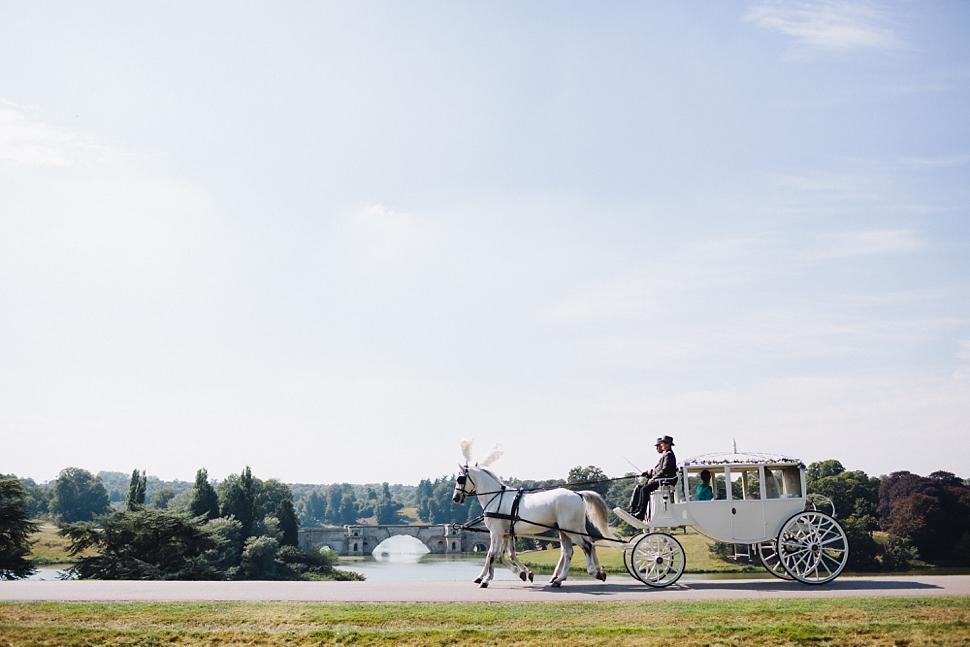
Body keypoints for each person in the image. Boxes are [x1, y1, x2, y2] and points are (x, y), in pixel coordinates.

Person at [629, 436, 677, 520]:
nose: (661, 445)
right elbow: (658, 470)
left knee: (645, 489)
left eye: (662, 443)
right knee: (641, 487)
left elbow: (664, 470)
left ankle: (641, 512)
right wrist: (649, 473)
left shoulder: (669, 455)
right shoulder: (666, 454)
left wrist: (653, 478)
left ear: (668, 444)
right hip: (661, 479)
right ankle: (636, 510)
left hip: (665, 480)